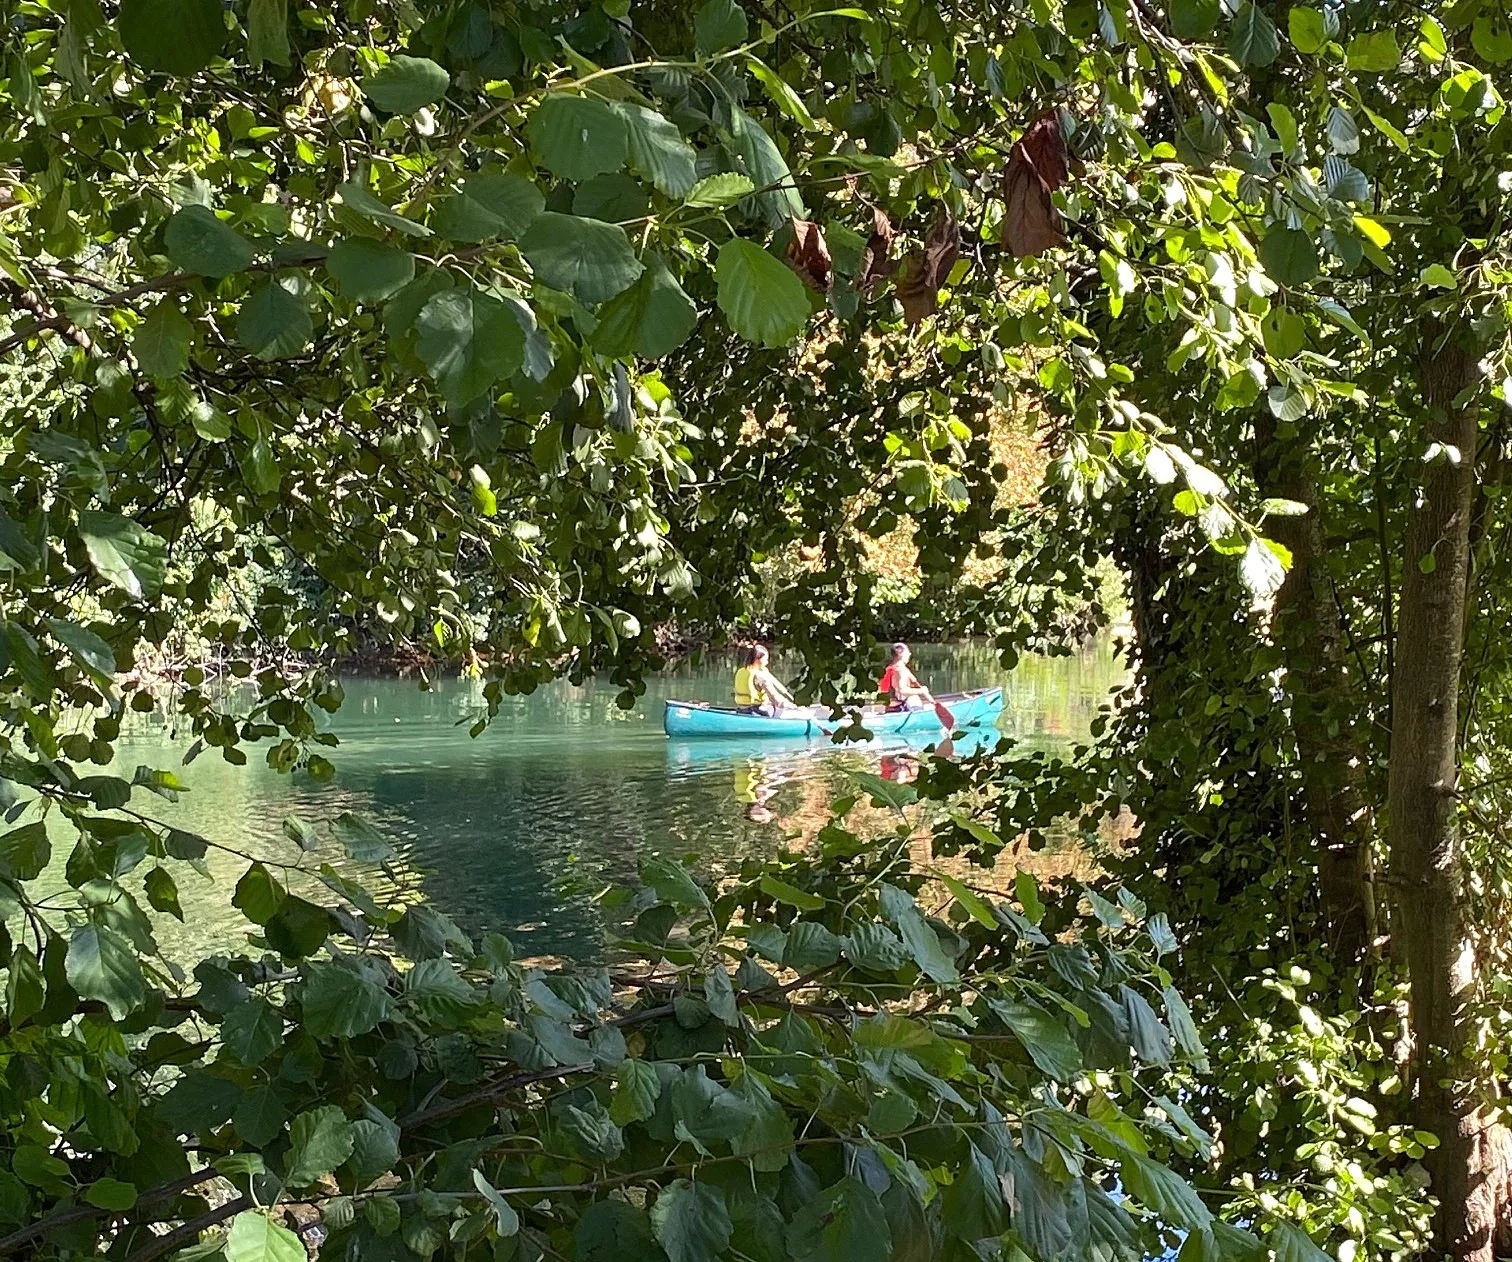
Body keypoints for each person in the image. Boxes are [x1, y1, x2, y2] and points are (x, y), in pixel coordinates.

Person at [734, 644, 797, 716]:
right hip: (756, 711)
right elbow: (776, 699)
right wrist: (794, 707)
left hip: (741, 709)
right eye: (766, 659)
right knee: (779, 709)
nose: (767, 662)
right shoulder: (760, 676)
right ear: (758, 659)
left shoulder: (741, 671)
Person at [878, 642, 934, 711]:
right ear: (901, 654)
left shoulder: (888, 669)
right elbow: (902, 690)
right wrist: (921, 691)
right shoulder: (900, 670)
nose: (909, 654)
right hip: (901, 708)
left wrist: (931, 700)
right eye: (908, 652)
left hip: (890, 708)